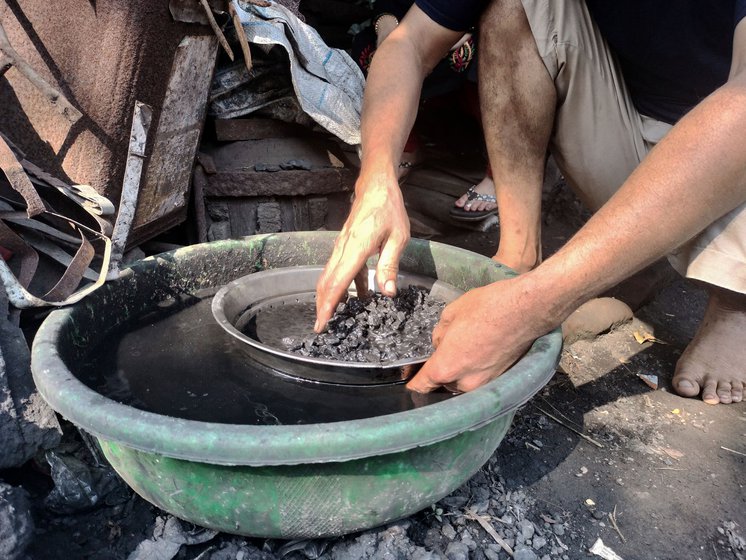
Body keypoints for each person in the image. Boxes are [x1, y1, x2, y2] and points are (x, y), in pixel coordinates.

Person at [315, 0, 746, 404]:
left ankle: (734, 305)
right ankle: (517, 258)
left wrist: (534, 308)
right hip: (631, 127)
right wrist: (375, 180)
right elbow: (408, 42)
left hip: (734, 158)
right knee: (513, 6)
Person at [353, 1, 498, 220]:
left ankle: (499, 175)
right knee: (373, 51)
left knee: (481, 57)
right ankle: (406, 149)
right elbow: (386, 7)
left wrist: (455, 30)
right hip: (421, 25)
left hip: (473, 25)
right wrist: (387, 26)